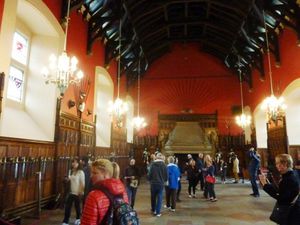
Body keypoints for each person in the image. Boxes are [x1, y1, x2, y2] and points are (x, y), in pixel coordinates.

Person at [81, 159, 128, 225]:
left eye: (95, 173)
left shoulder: (93, 196)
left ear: (106, 175)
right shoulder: (123, 192)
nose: (91, 176)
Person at [259, 154, 300, 225]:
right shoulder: (293, 173)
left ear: (285, 164)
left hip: (290, 213)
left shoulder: (288, 179)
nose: (276, 165)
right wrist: (267, 184)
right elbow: (281, 190)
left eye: (278, 163)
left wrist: (265, 185)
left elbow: (281, 197)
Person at [62, 157, 85, 225]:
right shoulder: (72, 171)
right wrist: (66, 179)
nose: (73, 163)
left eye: (75, 162)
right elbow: (70, 179)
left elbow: (82, 183)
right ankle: (65, 221)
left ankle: (78, 219)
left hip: (77, 193)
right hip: (71, 192)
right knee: (67, 207)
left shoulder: (81, 172)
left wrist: (81, 192)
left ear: (78, 163)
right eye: (73, 162)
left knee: (77, 207)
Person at [148, 153, 168, 217]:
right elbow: (166, 175)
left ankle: (153, 209)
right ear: (161, 158)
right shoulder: (164, 165)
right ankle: (158, 212)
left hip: (153, 183)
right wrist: (164, 180)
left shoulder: (152, 165)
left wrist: (149, 179)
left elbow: (149, 174)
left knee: (153, 197)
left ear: (156, 158)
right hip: (161, 183)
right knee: (159, 197)